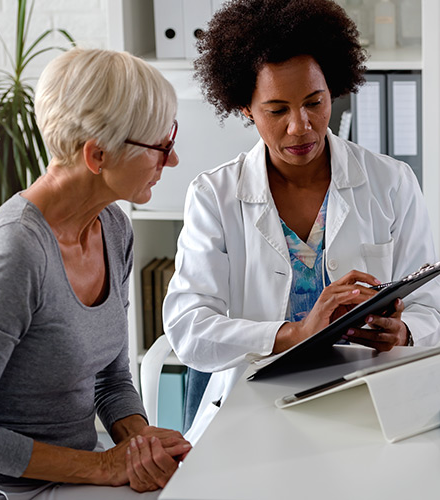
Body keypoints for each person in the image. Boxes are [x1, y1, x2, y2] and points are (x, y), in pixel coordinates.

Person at [163, 0, 440, 442]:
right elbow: (189, 328)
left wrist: (404, 332)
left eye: (315, 102)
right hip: (253, 411)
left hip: (373, 403)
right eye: (277, 110)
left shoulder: (391, 182)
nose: (301, 127)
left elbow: (432, 307)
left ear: (334, 89)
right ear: (245, 108)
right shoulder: (214, 196)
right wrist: (294, 333)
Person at [0, 47, 191, 499]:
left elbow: (111, 380)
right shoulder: (15, 255)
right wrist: (103, 467)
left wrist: (139, 443)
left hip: (74, 472)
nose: (171, 161)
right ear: (97, 155)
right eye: (161, 145)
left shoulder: (113, 228)